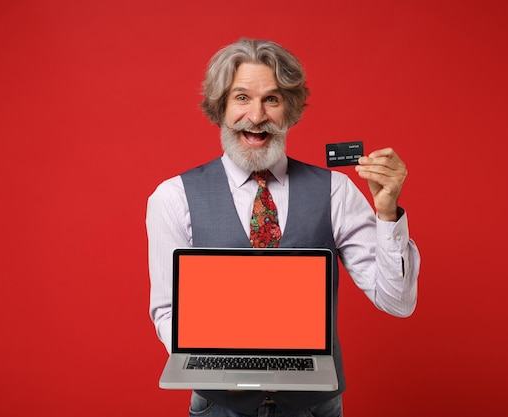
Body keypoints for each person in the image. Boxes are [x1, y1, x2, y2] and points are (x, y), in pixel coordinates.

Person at [146, 38, 420, 417]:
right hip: (219, 405)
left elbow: (397, 302)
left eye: (271, 100)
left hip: (313, 407)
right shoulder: (173, 197)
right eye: (241, 97)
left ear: (289, 110)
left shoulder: (335, 191)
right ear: (220, 107)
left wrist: (387, 214)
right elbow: (167, 312)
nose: (256, 116)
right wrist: (232, 366)